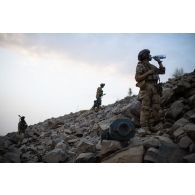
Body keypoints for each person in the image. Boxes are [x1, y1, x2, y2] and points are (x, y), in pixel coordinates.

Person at [135, 49, 165, 133]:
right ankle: (144, 127)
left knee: (155, 107)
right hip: (146, 87)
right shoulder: (140, 65)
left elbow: (162, 71)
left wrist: (159, 62)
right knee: (145, 108)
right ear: (145, 55)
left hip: (155, 87)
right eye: (149, 54)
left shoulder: (151, 66)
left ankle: (151, 126)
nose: (150, 56)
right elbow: (137, 78)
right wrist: (148, 73)